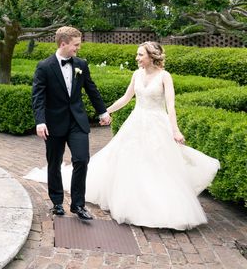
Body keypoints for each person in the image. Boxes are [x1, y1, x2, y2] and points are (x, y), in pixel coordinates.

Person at [26, 41, 220, 230]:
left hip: (157, 124)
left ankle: (154, 206)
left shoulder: (165, 76)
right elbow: (126, 98)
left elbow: (170, 105)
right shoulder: (136, 74)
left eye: (140, 54)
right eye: (137, 54)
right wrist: (106, 111)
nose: (137, 58)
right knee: (131, 162)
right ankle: (68, 202)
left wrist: (175, 129)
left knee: (158, 164)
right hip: (136, 123)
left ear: (152, 57)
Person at [31, 26, 110, 221]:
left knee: (82, 159)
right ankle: (57, 202)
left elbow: (92, 89)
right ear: (63, 43)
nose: (78, 48)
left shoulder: (81, 64)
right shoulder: (44, 66)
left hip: (77, 121)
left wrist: (102, 111)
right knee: (54, 163)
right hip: (53, 123)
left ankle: (78, 205)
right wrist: (40, 121)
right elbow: (38, 97)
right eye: (76, 45)